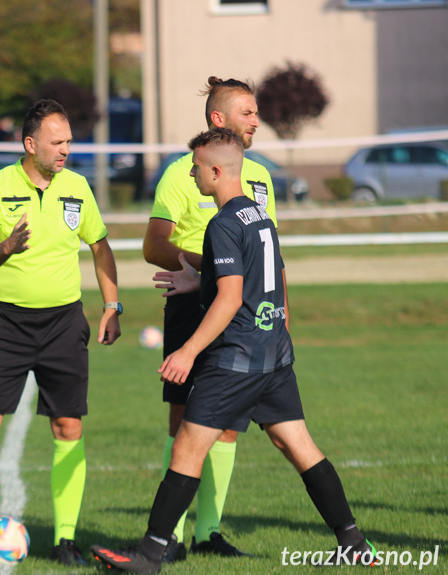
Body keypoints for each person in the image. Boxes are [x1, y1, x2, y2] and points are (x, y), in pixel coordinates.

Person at [92, 129, 375, 574]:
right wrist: (198, 280)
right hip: (273, 352)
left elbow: (229, 298)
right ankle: (353, 541)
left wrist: (187, 351)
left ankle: (148, 555)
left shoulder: (222, 223)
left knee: (187, 445)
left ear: (217, 171)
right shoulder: (259, 215)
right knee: (298, 444)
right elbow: (263, 275)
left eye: (197, 167)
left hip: (235, 358)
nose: (191, 172)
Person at [0, 99, 122, 568]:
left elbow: (100, 248)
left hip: (64, 324)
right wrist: (6, 246)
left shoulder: (78, 187)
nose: (67, 149)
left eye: (69, 140)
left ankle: (65, 540)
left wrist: (112, 306)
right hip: (6, 323)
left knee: (68, 427)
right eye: (58, 142)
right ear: (30, 144)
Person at [141, 76, 279, 561]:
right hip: (190, 307)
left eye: (256, 112)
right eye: (247, 112)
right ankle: (170, 537)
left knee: (227, 426)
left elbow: (268, 256)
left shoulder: (258, 177)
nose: (256, 121)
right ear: (218, 119)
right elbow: (153, 245)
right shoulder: (183, 172)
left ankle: (209, 533)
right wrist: (212, 266)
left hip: (242, 315)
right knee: (183, 420)